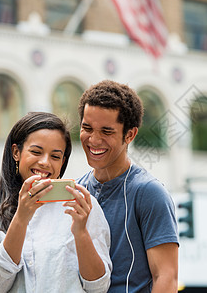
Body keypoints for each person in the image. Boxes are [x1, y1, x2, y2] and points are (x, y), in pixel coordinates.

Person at [0, 112, 112, 293]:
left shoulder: (81, 206)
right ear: (16, 152)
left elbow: (99, 287)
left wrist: (81, 232)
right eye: (36, 152)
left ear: (63, 162)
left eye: (55, 156)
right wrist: (21, 219)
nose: (45, 162)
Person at [76, 80, 179, 293]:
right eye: (87, 128)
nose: (94, 139)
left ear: (130, 135)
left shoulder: (149, 193)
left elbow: (166, 278)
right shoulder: (78, 189)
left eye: (106, 131)